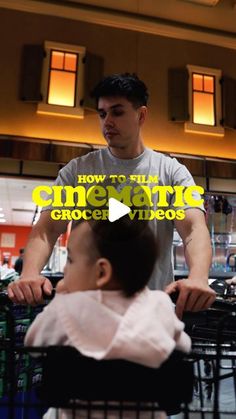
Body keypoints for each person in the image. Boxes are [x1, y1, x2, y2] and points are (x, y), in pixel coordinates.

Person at [8, 73, 216, 318]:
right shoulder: (76, 171)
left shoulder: (171, 172)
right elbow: (48, 229)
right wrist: (30, 273)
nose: (107, 122)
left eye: (117, 112)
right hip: (84, 314)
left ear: (141, 115)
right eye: (102, 113)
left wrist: (199, 278)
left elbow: (193, 229)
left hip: (150, 316)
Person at [25, 217, 191, 419]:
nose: (65, 269)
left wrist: (61, 299)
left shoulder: (66, 306)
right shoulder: (160, 304)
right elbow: (183, 347)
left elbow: (34, 343)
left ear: (101, 271)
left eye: (70, 260)